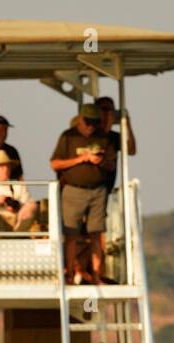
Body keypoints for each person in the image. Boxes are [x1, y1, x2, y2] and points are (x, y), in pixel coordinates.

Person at [49, 104, 115, 285]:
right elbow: (55, 163)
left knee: (96, 234)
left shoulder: (104, 138)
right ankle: (69, 274)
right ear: (80, 119)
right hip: (74, 190)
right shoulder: (68, 136)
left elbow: (112, 165)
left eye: (94, 123)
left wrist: (100, 161)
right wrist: (81, 159)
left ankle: (95, 276)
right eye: (88, 122)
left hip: (97, 191)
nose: (90, 126)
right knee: (71, 235)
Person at [94, 96, 136, 194]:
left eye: (111, 110)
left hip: (107, 188)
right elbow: (99, 146)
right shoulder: (90, 133)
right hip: (93, 188)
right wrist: (107, 126)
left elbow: (131, 150)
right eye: (104, 109)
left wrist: (127, 125)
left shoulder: (114, 136)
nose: (107, 113)